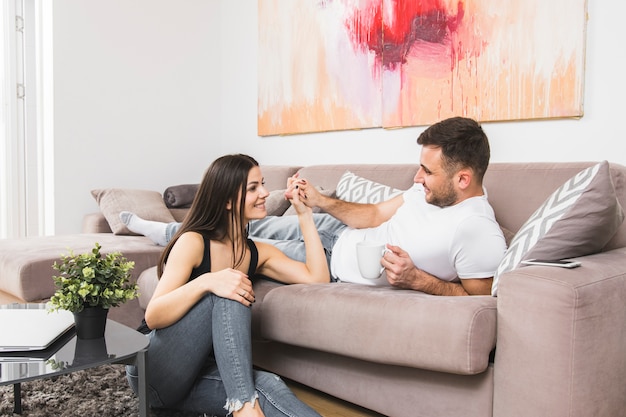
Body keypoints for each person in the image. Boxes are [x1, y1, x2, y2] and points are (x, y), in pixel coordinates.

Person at [122, 117, 506, 296]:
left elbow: (479, 298)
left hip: (326, 257)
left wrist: (417, 279)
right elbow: (372, 216)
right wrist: (321, 202)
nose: (417, 177)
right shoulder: (423, 193)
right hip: (337, 231)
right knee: (241, 225)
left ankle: (171, 235)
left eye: (427, 171)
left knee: (237, 244)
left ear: (463, 179)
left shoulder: (475, 229)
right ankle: (166, 231)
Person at [125, 154, 328, 417]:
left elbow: (317, 277)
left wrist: (305, 216)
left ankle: (243, 403)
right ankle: (243, 406)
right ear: (228, 200)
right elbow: (154, 315)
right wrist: (208, 281)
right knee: (230, 286)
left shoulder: (255, 252)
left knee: (268, 385)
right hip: (153, 371)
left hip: (197, 375)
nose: (266, 193)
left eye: (262, 184)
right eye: (253, 188)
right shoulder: (193, 242)